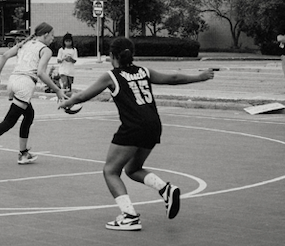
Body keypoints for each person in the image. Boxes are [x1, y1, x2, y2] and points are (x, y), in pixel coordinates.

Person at [60, 37, 215, 232]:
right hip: (154, 125)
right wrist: (200, 77)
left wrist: (66, 103)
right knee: (133, 169)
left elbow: (83, 96)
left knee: (110, 171)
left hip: (133, 127)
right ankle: (165, 189)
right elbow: (173, 79)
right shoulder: (143, 71)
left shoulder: (111, 75)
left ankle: (129, 216)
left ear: (112, 56)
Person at [0, 22, 65, 165]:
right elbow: (41, 73)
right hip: (25, 84)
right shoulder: (45, 50)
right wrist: (57, 90)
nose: (53, 39)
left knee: (29, 114)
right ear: (45, 35)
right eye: (52, 35)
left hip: (13, 81)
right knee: (9, 121)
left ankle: (23, 153)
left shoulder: (25, 44)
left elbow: (4, 56)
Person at [57, 33, 78, 98]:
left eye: (69, 41)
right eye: (66, 41)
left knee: (69, 85)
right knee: (64, 83)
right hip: (63, 70)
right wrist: (64, 58)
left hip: (70, 70)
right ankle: (63, 95)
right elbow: (58, 60)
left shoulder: (74, 50)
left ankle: (68, 96)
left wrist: (70, 59)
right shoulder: (61, 50)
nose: (68, 43)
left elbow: (75, 60)